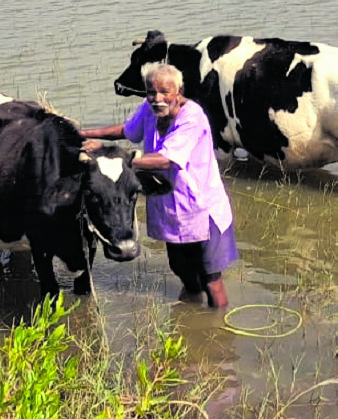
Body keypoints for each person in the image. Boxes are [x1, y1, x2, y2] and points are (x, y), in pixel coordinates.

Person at [81, 64, 238, 309]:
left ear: (179, 91)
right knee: (183, 271)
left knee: (210, 279)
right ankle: (192, 316)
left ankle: (218, 331)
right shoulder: (150, 109)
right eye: (151, 92)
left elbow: (167, 159)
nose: (157, 98)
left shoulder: (192, 117)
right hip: (171, 210)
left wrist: (115, 157)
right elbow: (128, 130)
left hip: (202, 210)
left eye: (165, 91)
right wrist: (86, 134)